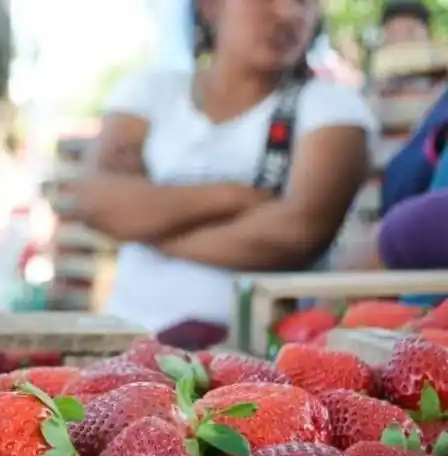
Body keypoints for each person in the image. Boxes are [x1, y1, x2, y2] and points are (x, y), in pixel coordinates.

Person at [58, 0, 375, 345]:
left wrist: (142, 224)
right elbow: (95, 201)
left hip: (252, 359)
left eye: (304, 2)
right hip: (122, 341)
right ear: (210, 7)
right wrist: (234, 196)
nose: (287, 12)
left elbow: (294, 236)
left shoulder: (333, 107)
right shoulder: (149, 91)